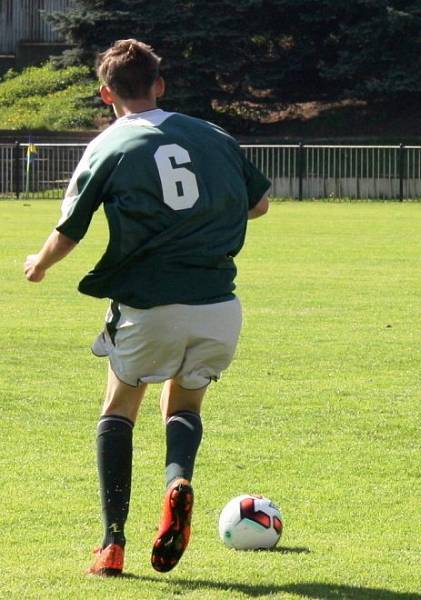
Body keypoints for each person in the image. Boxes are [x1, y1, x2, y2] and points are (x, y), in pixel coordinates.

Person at [23, 39, 271, 576]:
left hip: (148, 305)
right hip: (218, 305)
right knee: (183, 406)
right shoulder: (213, 134)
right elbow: (259, 204)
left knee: (118, 409)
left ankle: (112, 543)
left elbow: (70, 229)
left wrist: (39, 264)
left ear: (105, 92)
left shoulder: (109, 145)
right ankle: (177, 480)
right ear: (160, 84)